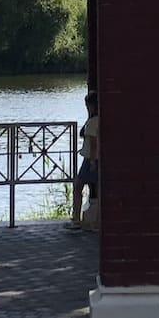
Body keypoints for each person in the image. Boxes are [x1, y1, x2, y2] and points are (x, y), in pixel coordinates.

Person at [70, 91, 101, 230]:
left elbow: (93, 144)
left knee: (78, 185)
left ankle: (77, 218)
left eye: (87, 105)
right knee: (97, 188)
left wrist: (93, 161)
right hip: (94, 159)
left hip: (90, 159)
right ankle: (95, 221)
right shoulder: (96, 120)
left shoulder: (93, 122)